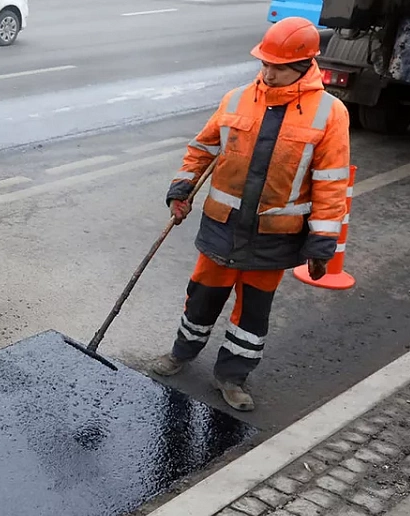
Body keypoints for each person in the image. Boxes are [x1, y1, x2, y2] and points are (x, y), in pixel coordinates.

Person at [150, 17, 351, 411]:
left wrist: (322, 244)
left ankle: (232, 377)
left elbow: (331, 183)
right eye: (265, 63)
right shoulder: (237, 99)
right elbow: (202, 150)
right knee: (201, 298)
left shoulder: (330, 113)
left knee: (252, 312)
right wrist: (181, 190)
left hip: (274, 235)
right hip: (222, 228)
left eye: (278, 66)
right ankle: (181, 353)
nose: (268, 72)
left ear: (304, 64)